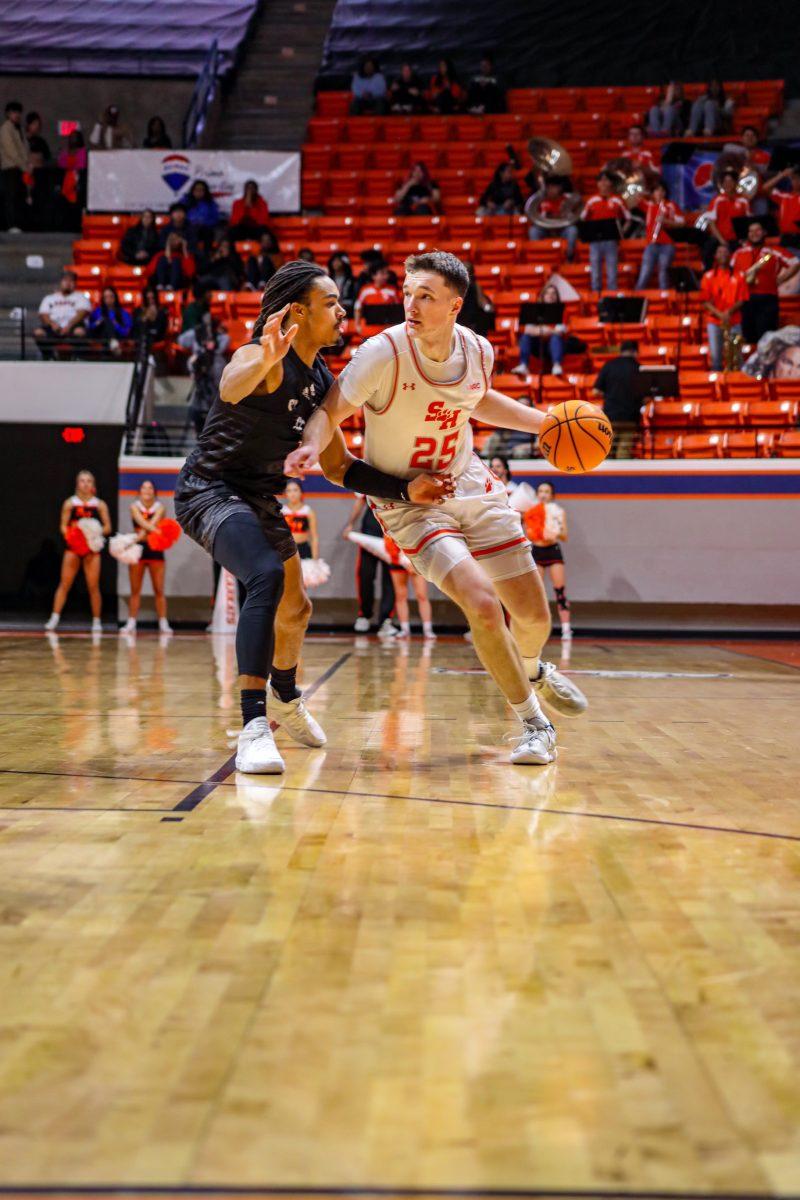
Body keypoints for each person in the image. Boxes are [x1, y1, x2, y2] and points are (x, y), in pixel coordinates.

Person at [286, 250, 589, 767]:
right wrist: (313, 444)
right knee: (482, 602)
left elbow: (477, 399)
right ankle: (535, 723)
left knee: (534, 616)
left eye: (425, 295)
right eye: (407, 293)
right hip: (410, 503)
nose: (411, 303)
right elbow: (329, 411)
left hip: (469, 486)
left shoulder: (477, 350)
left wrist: (543, 424)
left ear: (455, 304)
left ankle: (534, 666)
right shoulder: (383, 353)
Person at [173, 260, 454, 773]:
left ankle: (284, 695)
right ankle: (254, 725)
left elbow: (340, 466)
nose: (342, 310)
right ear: (297, 313)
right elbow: (232, 386)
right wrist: (264, 359)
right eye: (331, 303)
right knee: (263, 577)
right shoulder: (262, 355)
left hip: (257, 498)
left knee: (297, 608)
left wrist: (404, 489)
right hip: (208, 490)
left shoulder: (322, 380)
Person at [45, 470, 111, 633]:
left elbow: (108, 527)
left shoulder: (99, 504)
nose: (86, 483)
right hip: (73, 549)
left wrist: (94, 533)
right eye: (82, 480)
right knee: (65, 583)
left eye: (89, 481)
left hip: (91, 549)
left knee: (93, 586)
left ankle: (96, 621)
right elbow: (63, 525)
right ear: (77, 484)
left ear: (93, 485)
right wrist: (73, 536)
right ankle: (54, 618)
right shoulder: (70, 503)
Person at [732, 219, 800, 345]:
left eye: (757, 230)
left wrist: (780, 280)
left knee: (767, 339)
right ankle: (750, 364)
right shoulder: (738, 253)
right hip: (744, 300)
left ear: (764, 233)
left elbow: (795, 263)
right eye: (751, 231)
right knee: (747, 339)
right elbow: (729, 274)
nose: (754, 233)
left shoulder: (774, 250)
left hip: (767, 299)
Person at [341, 494, 397, 635]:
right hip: (370, 531)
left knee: (390, 578)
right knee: (365, 574)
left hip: (392, 532)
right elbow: (360, 501)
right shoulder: (369, 474)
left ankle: (386, 621)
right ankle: (364, 615)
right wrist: (350, 524)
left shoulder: (399, 475)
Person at [121, 480, 172, 634]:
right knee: (135, 590)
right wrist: (151, 532)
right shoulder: (134, 506)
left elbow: (151, 522)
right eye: (144, 487)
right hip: (138, 550)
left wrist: (139, 536)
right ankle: (131, 623)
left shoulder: (160, 507)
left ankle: (163, 623)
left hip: (155, 549)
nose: (147, 490)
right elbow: (141, 521)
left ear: (154, 491)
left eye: (150, 487)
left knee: (159, 589)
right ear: (140, 491)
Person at [523, 480, 571, 643]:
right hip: (537, 551)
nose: (543, 494)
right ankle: (535, 627)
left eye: (547, 491)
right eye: (541, 491)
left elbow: (565, 536)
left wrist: (555, 534)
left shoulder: (558, 511)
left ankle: (566, 628)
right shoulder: (531, 511)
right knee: (536, 592)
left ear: (552, 495)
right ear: (537, 494)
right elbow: (527, 533)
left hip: (552, 550)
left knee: (560, 590)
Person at [178, 312, 231, 436]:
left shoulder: (219, 350)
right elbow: (182, 341)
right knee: (196, 411)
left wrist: (217, 339)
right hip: (201, 386)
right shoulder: (197, 341)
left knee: (216, 409)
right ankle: (199, 435)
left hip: (215, 384)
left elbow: (225, 341)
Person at [700, 243, 749, 370]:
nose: (723, 255)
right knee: (716, 358)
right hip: (714, 322)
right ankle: (717, 387)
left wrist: (728, 312)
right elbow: (704, 301)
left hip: (734, 321)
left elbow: (742, 299)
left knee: (737, 357)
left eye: (725, 252)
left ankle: (738, 386)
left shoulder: (740, 275)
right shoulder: (708, 276)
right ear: (715, 256)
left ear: (730, 255)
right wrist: (720, 314)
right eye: (720, 252)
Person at [592, 340, 641, 458]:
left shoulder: (609, 366)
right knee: (623, 453)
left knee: (606, 451)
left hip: (610, 416)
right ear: (635, 352)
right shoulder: (639, 368)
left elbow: (595, 391)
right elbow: (646, 396)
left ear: (621, 351)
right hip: (630, 417)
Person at [581, 172, 628, 292]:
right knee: (595, 273)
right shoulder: (592, 201)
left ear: (611, 183)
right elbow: (582, 218)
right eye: (600, 180)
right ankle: (596, 298)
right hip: (595, 242)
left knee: (612, 272)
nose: (603, 183)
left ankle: (612, 297)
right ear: (597, 184)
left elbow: (628, 218)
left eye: (606, 180)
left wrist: (621, 232)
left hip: (611, 241)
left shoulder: (617, 200)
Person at [383, 534, 436, 639]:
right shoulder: (390, 524)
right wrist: (400, 559)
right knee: (400, 596)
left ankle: (428, 630)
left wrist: (411, 559)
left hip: (415, 560)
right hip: (397, 561)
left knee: (421, 595)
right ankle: (405, 629)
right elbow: (388, 542)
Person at [635, 179, 685, 290]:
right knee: (645, 272)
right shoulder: (649, 205)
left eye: (662, 190)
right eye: (657, 190)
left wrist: (666, 221)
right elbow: (635, 199)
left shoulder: (671, 205)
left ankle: (664, 299)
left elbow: (682, 223)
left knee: (663, 273)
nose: (660, 193)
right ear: (653, 192)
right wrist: (647, 193)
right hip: (651, 243)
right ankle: (637, 297)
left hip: (667, 244)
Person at [513, 281, 569, 376]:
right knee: (525, 337)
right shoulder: (534, 310)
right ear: (543, 296)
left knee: (555, 338)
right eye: (547, 293)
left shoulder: (563, 311)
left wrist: (543, 330)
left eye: (553, 293)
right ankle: (523, 365)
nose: (550, 296)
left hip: (554, 346)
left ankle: (556, 365)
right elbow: (526, 330)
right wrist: (546, 330)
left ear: (557, 297)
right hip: (537, 346)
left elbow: (561, 331)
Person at [34, 270, 90, 358]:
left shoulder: (80, 297)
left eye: (71, 281)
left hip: (73, 326)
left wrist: (69, 325)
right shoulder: (49, 298)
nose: (68, 283)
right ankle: (49, 356)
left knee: (79, 332)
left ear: (75, 283)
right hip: (53, 327)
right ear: (60, 282)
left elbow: (82, 313)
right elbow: (43, 314)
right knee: (38, 332)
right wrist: (53, 325)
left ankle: (77, 357)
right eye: (65, 280)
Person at [702, 170, 751, 268]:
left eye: (730, 181)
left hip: (737, 240)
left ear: (735, 183)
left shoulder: (743, 201)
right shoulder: (717, 200)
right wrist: (722, 241)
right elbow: (711, 223)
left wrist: (743, 239)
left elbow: (748, 222)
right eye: (725, 182)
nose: (727, 184)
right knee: (707, 250)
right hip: (719, 239)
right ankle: (708, 276)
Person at [527, 175, 580, 260]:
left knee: (572, 230)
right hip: (545, 230)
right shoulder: (540, 200)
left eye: (553, 187)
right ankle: (537, 257)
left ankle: (569, 256)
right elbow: (535, 218)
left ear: (560, 188)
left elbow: (574, 216)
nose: (550, 189)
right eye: (548, 187)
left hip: (562, 229)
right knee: (533, 231)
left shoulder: (567, 200)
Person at [0, 100, 27, 232]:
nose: (16, 115)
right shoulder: (6, 129)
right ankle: (11, 224)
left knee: (17, 197)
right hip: (10, 167)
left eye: (18, 112)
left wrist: (26, 164)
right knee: (10, 197)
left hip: (19, 168)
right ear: (8, 114)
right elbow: (11, 151)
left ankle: (16, 223)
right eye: (13, 112)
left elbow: (23, 149)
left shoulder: (18, 129)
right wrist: (24, 165)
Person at [86, 286, 133, 353]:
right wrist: (98, 322)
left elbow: (126, 332)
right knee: (105, 321)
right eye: (106, 297)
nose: (109, 299)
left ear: (115, 298)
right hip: (101, 337)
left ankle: (113, 343)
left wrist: (116, 324)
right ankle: (113, 343)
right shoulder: (97, 311)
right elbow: (90, 328)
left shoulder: (123, 313)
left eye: (111, 296)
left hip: (118, 337)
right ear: (103, 299)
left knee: (108, 322)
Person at [56, 130, 87, 230]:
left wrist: (70, 165)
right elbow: (61, 163)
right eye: (71, 137)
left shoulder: (82, 151)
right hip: (66, 180)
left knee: (77, 205)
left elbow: (81, 165)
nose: (73, 139)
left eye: (75, 137)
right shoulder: (65, 151)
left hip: (78, 179)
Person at [281, 480, 318, 562]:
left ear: (301, 492)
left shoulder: (308, 511)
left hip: (303, 550)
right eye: (289, 490)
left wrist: (315, 560)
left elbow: (314, 537)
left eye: (295, 490)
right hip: (285, 550)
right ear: (285, 493)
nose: (292, 494)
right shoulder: (282, 511)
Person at [763, 166, 800, 248]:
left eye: (798, 178)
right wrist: (782, 175)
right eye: (793, 179)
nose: (796, 181)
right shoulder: (784, 196)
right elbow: (765, 188)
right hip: (785, 238)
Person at [181, 179, 220, 253]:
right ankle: (191, 254)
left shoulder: (210, 203)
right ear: (192, 190)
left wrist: (203, 223)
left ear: (205, 192)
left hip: (205, 228)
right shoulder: (185, 201)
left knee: (208, 233)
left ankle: (206, 255)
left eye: (201, 190)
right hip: (188, 227)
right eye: (196, 189)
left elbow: (215, 219)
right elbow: (179, 213)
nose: (199, 192)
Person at [459, 260, 495, 336]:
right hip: (464, 324)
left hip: (471, 325)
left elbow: (484, 305)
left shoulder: (475, 286)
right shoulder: (457, 288)